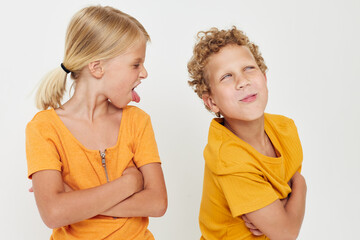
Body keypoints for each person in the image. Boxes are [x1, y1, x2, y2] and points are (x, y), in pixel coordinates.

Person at [25, 5, 167, 240]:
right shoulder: (43, 128)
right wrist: (129, 184)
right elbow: (53, 213)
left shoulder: (137, 121)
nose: (144, 73)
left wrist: (78, 202)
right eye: (135, 64)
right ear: (97, 67)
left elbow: (157, 202)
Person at [187, 27, 306, 240]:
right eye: (227, 76)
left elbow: (286, 206)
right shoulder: (228, 158)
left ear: (264, 77)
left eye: (249, 68)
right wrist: (301, 185)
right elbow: (286, 233)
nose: (243, 81)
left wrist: (278, 210)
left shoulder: (285, 129)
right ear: (212, 101)